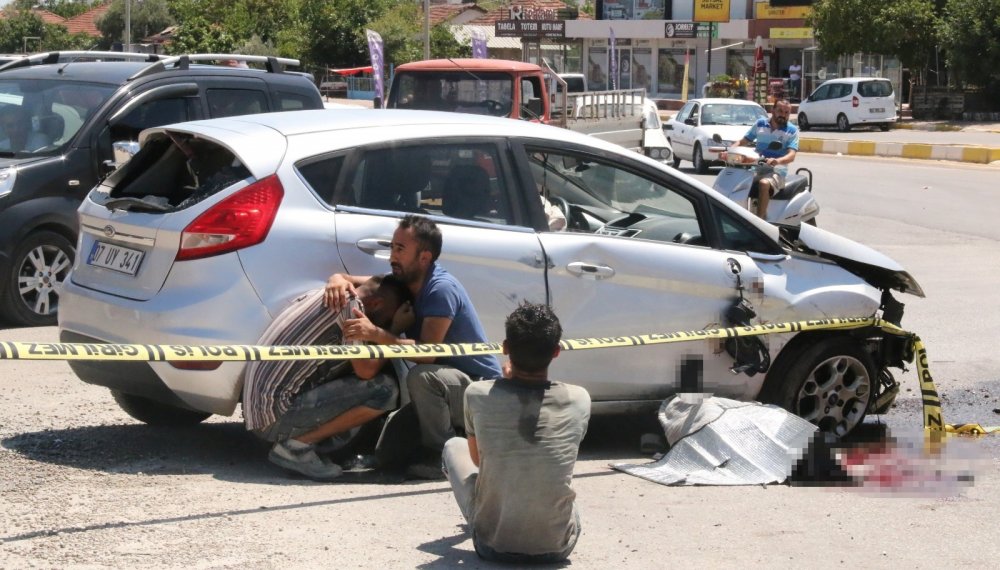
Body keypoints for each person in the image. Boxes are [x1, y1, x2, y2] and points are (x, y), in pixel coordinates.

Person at [325, 215, 502, 479]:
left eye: (400, 249)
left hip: (479, 390)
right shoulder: (402, 281)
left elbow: (428, 355)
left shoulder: (440, 290)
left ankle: (445, 458)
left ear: (424, 257)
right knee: (388, 452)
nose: (391, 256)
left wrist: (378, 333)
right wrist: (335, 280)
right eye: (392, 247)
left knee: (421, 376)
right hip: (448, 388)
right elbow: (346, 278)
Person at [442, 302, 591, 563]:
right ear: (556, 351)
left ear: (505, 348)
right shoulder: (579, 398)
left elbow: (478, 461)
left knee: (453, 447)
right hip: (557, 546)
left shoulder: (477, 395)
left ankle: (492, 517)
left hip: (492, 546)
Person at [243, 274, 414, 480]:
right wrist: (392, 330)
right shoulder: (352, 310)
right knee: (384, 389)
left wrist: (337, 276)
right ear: (376, 304)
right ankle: (295, 449)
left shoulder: (328, 292)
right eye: (388, 317)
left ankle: (310, 444)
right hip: (273, 418)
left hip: (261, 412)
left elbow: (370, 280)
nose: (385, 322)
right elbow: (366, 371)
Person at [734, 98, 798, 220]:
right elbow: (743, 141)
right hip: (755, 168)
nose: (783, 115)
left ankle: (760, 221)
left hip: (777, 172)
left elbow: (792, 155)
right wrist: (729, 151)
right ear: (772, 110)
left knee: (764, 183)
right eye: (780, 111)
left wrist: (777, 161)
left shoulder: (792, 131)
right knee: (736, 179)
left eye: (786, 112)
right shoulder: (760, 124)